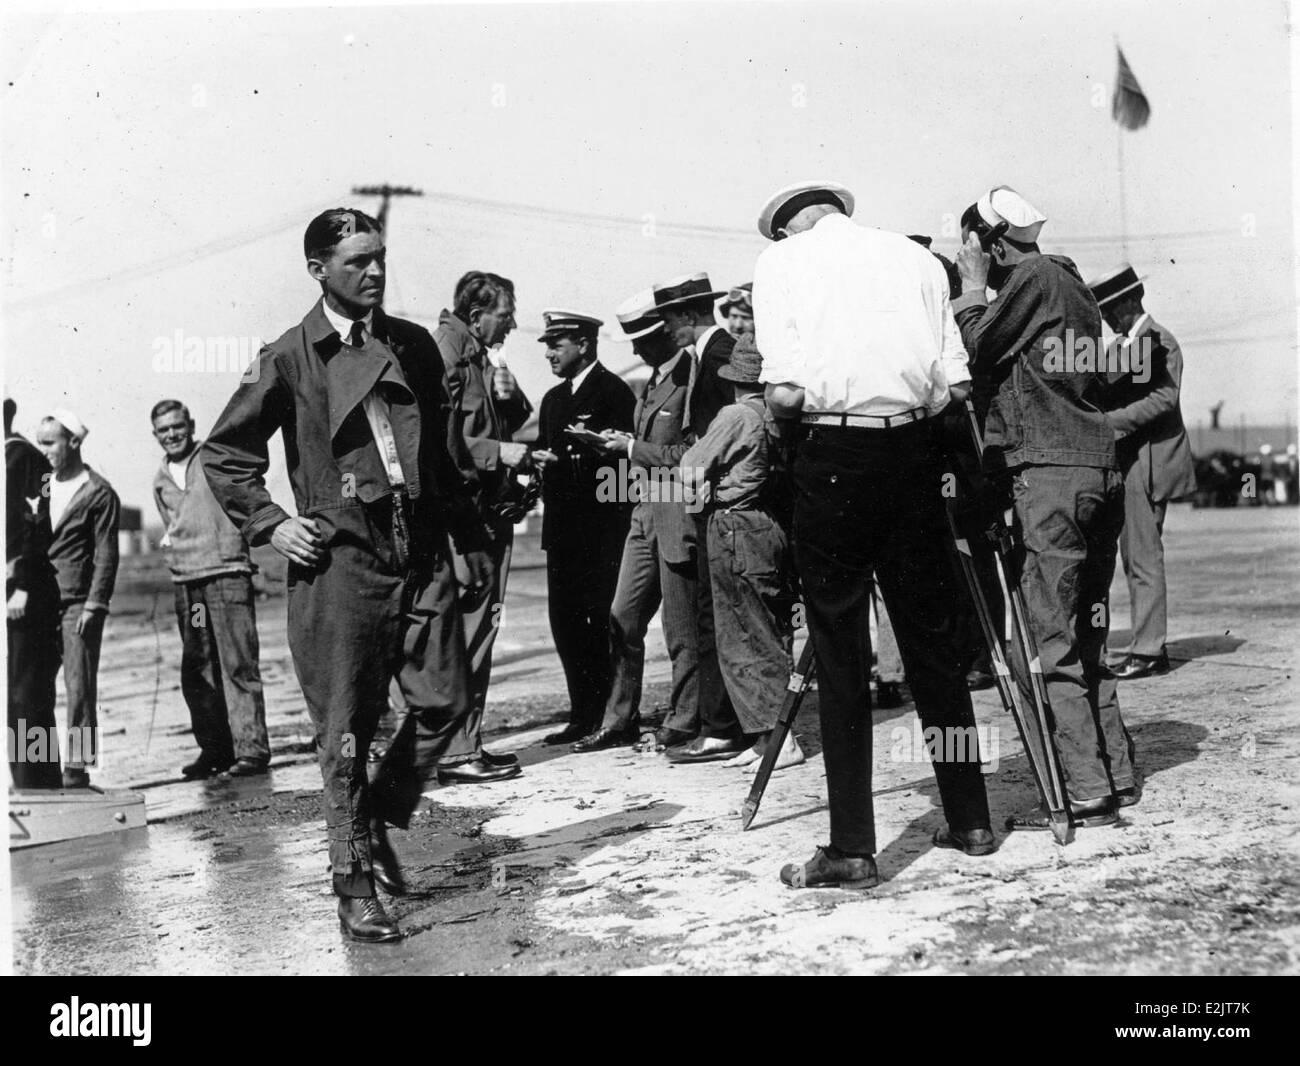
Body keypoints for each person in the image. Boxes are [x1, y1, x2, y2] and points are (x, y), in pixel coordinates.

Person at [202, 207, 493, 943]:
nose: (374, 270)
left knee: (445, 700)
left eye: (380, 257)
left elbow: (438, 459)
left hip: (418, 552)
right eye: (358, 260)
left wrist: (468, 533)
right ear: (318, 271)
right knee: (345, 736)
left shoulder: (416, 345)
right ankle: (353, 881)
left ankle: (379, 812)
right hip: (340, 562)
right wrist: (273, 523)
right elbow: (227, 454)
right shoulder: (291, 355)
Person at [754, 179, 995, 890]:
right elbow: (957, 385)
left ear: (789, 228)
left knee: (839, 651)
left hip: (833, 460)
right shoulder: (916, 262)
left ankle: (853, 846)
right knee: (931, 645)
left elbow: (787, 392)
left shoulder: (784, 266)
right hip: (913, 456)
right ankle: (972, 818)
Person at [952, 185, 1136, 830]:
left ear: (990, 240)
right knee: (1084, 634)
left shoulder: (1031, 276)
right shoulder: (1068, 281)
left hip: (1051, 474)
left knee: (1042, 640)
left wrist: (972, 286)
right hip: (1092, 467)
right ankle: (1114, 770)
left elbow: (974, 343)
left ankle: (1084, 787)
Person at [572, 292, 711, 753]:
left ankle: (684, 721)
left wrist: (629, 449)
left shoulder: (693, 378)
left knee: (681, 626)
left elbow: (691, 454)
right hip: (644, 511)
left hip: (676, 512)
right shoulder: (653, 380)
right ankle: (619, 719)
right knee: (622, 617)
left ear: (664, 333)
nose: (635, 350)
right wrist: (621, 442)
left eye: (643, 340)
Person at [423, 270, 532, 782]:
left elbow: (491, 421)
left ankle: (464, 744)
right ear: (475, 315)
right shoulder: (446, 355)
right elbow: (435, 445)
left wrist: (509, 402)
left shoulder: (477, 357)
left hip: (482, 513)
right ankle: (458, 752)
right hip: (465, 519)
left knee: (477, 629)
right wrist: (499, 452)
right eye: (504, 316)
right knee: (469, 631)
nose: (511, 325)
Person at [678, 334, 804, 770]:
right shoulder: (774, 414)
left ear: (733, 379)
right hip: (766, 524)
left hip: (733, 524)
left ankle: (777, 738)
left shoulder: (735, 414)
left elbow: (690, 465)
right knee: (768, 629)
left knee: (743, 636)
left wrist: (706, 484)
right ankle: (767, 737)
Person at [150, 399, 271, 779]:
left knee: (238, 662)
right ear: (155, 435)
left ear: (191, 424)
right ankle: (214, 751)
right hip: (189, 584)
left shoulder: (213, 457)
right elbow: (171, 526)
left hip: (227, 575)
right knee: (198, 668)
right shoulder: (159, 479)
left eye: (177, 426)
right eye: (163, 430)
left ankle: (251, 751)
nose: (171, 434)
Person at [530, 309, 635, 744]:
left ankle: (613, 717)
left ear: (585, 345)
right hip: (563, 531)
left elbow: (627, 467)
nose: (550, 353)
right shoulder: (553, 400)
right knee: (567, 622)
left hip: (602, 530)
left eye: (558, 344)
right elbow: (542, 452)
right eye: (548, 345)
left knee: (602, 621)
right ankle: (583, 713)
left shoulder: (613, 392)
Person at [1089, 263, 1197, 680]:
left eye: (1113, 308)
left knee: (1143, 558)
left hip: (1147, 463)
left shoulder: (1159, 341)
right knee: (1134, 557)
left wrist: (1108, 424)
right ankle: (1147, 647)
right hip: (1131, 462)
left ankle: (1149, 651)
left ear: (1132, 301)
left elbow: (1163, 399)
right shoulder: (1123, 346)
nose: (1108, 317)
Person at [38, 409, 119, 788]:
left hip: (77, 605)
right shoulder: (40, 484)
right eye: (40, 442)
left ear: (73, 442)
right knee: (31, 688)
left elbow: (106, 554)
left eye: (50, 442)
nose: (44, 450)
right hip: (37, 603)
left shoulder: (99, 492)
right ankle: (35, 765)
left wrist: (94, 603)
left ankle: (77, 769)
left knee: (79, 687)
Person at [6, 398, 62, 789]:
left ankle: (40, 785)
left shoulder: (24, 458)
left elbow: (38, 523)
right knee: (12, 695)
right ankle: (25, 784)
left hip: (26, 592)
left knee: (29, 693)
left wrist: (23, 584)